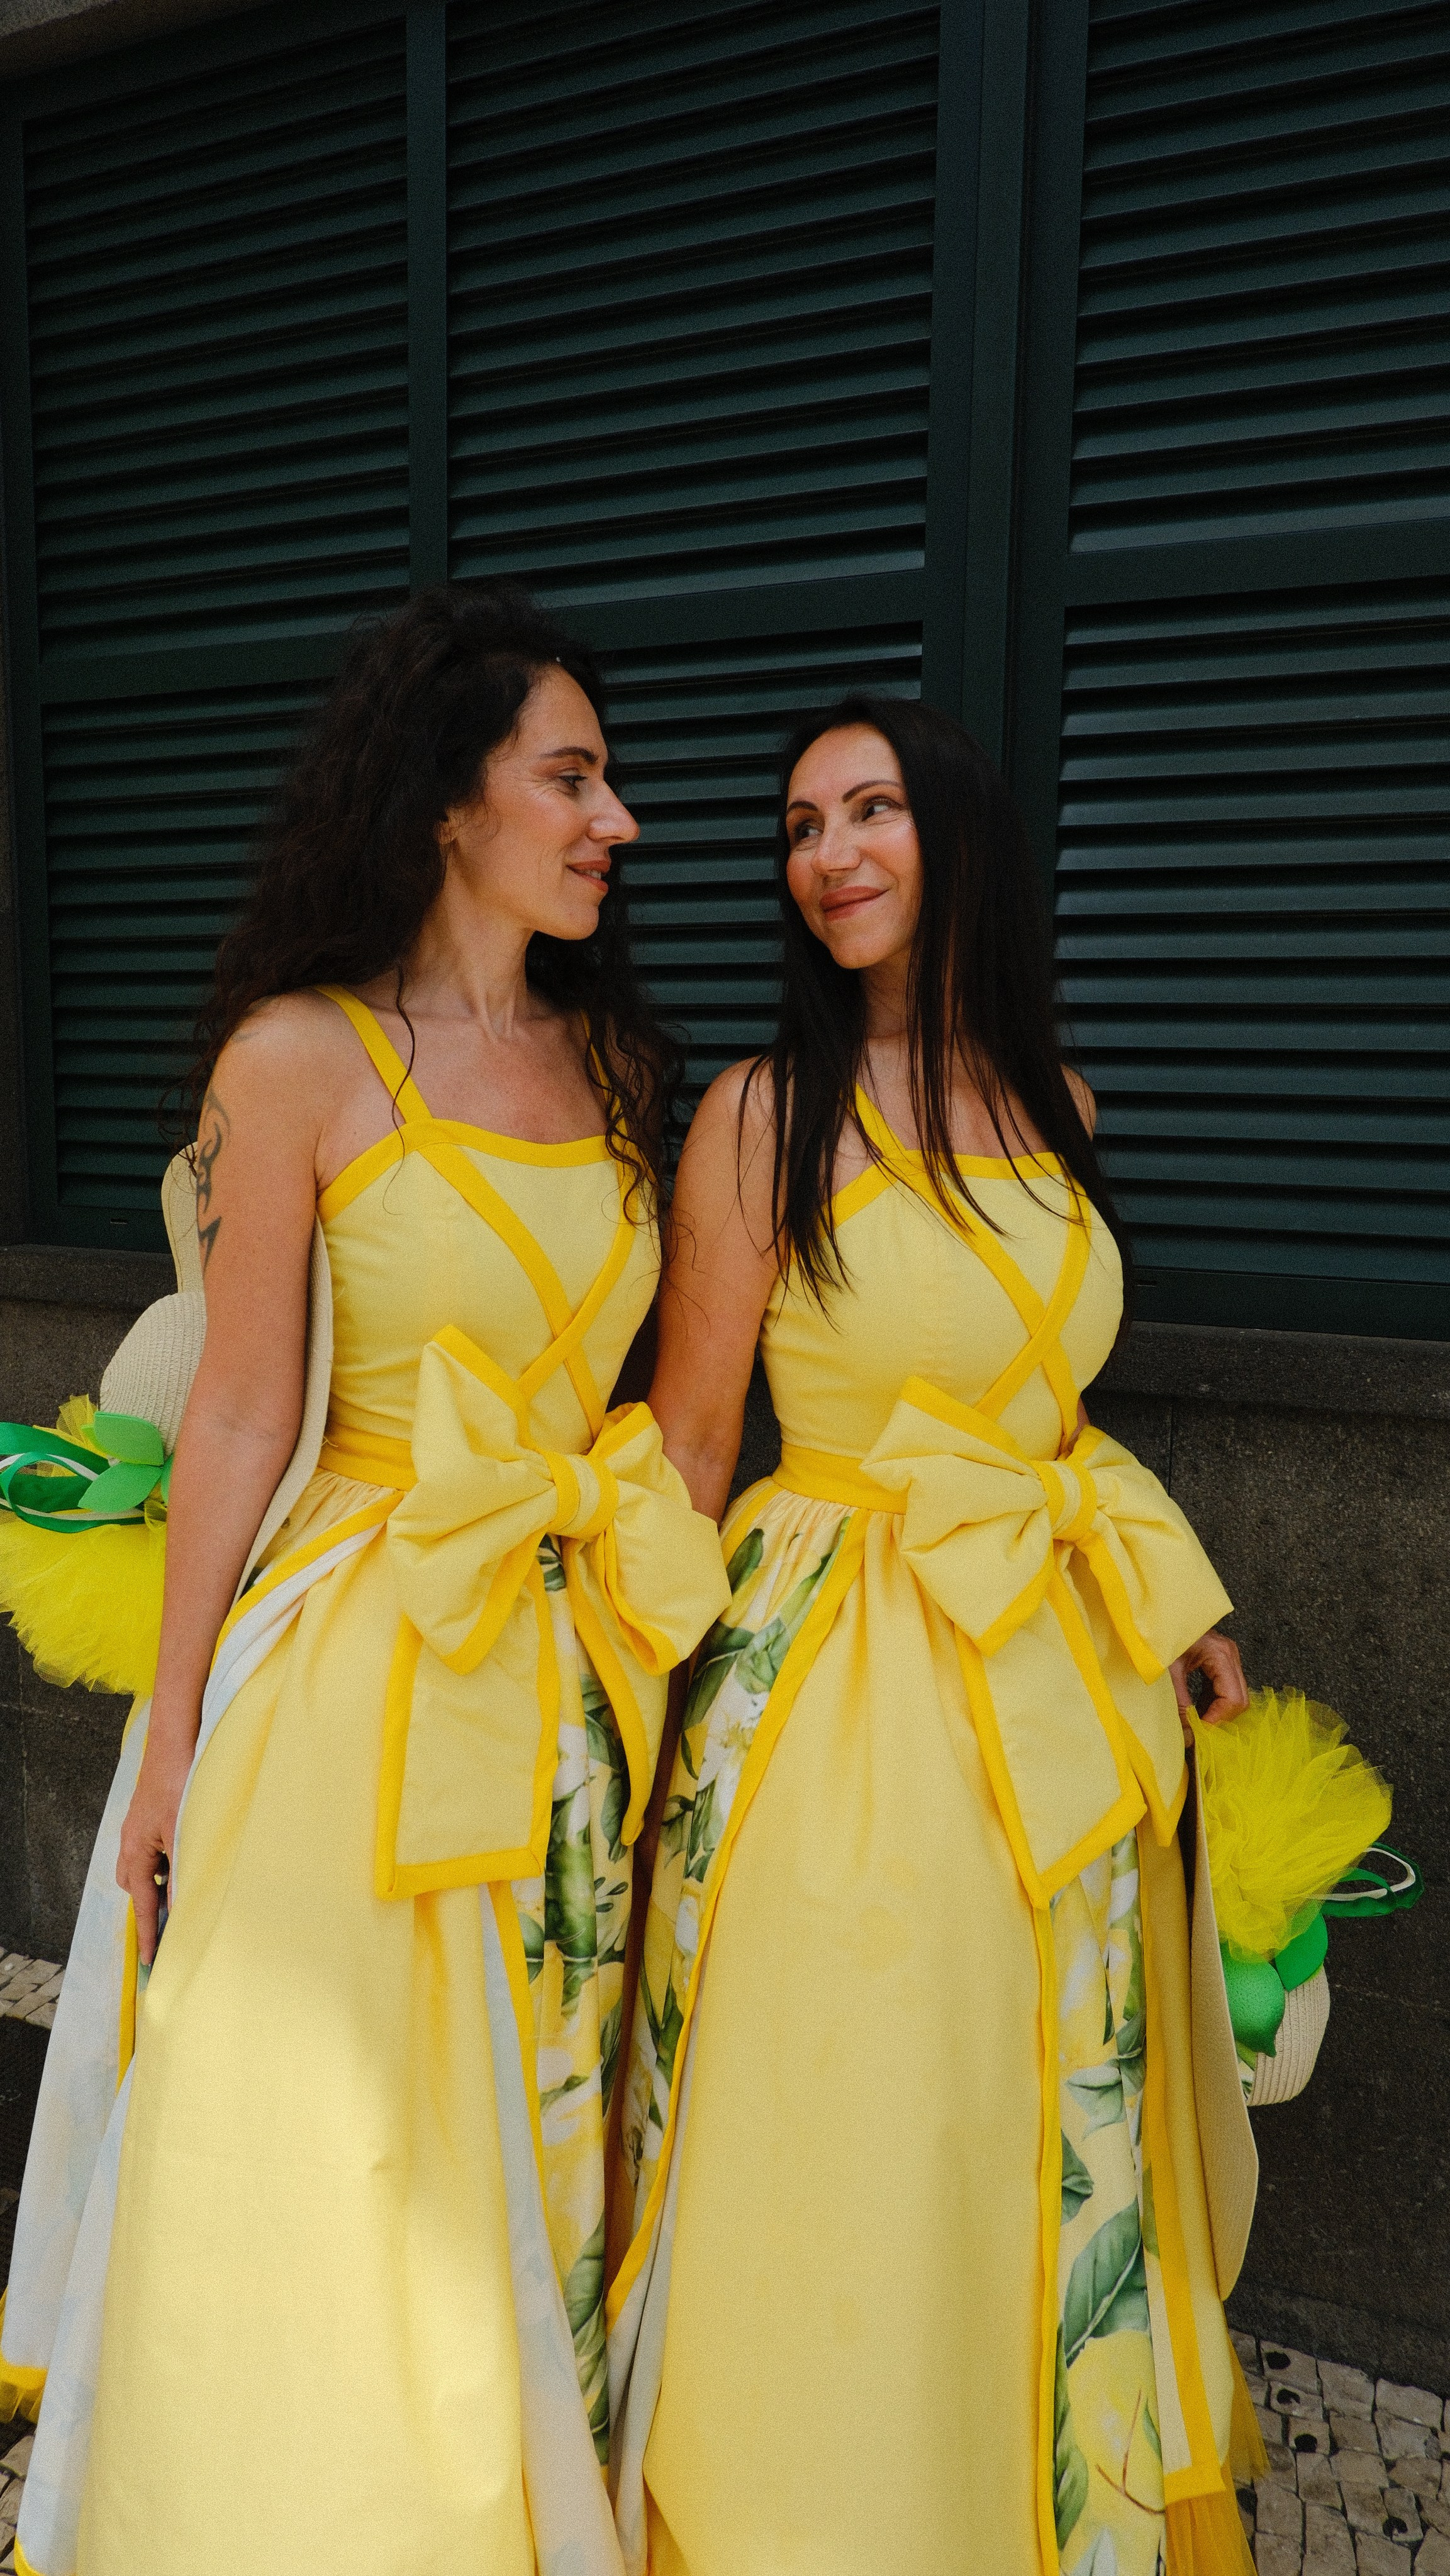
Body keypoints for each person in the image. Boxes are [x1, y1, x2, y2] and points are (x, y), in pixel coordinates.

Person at [0, 582, 728, 2576]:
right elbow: (239, 1417)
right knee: (320, 2144)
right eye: (571, 776)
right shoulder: (296, 1060)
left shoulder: (622, 1071)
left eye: (611, 780)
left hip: (576, 1669)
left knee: (541, 2125)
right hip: (351, 1662)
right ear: (443, 800)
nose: (618, 819)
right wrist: (164, 1749)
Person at [607, 696, 1259, 2576]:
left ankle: (1021, 2497)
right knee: (867, 2104)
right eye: (800, 823)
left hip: (1053, 1659)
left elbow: (1043, 1411)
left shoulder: (1058, 1102)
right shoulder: (757, 1112)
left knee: (1033, 2103)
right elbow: (695, 1442)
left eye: (868, 808)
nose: (828, 854)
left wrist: (1180, 1592)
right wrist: (613, 1702)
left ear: (952, 835)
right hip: (841, 1681)